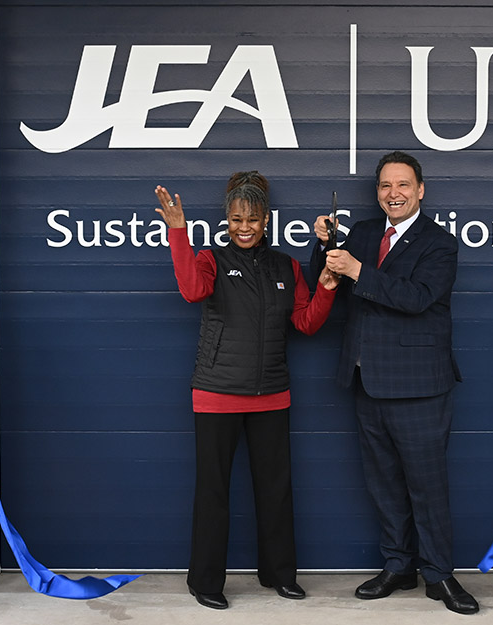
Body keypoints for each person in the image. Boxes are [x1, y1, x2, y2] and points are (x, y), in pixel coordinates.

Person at [155, 171, 339, 610]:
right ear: (227, 219)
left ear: (265, 220)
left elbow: (306, 323)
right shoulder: (210, 260)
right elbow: (190, 291)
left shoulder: (287, 267)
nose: (244, 226)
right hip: (217, 394)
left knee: (275, 489)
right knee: (213, 491)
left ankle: (278, 574)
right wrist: (177, 232)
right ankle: (205, 582)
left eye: (252, 218)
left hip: (272, 395)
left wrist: (328, 289)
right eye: (237, 217)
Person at [310, 151, 479, 615]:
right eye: (385, 186)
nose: (394, 194)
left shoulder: (439, 243)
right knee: (384, 486)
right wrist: (322, 246)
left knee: (427, 487)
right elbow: (324, 277)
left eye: (403, 185)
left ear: (420, 190)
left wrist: (358, 270)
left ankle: (440, 575)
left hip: (420, 387)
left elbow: (417, 298)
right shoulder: (363, 234)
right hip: (367, 382)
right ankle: (398, 566)